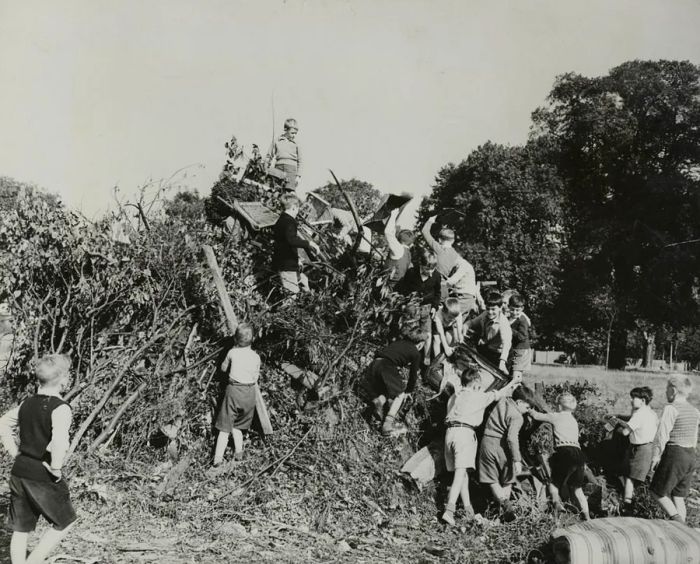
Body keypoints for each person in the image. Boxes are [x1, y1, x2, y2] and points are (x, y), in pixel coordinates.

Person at [0, 354, 77, 564]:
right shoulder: (61, 408)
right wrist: (56, 468)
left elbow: (3, 423)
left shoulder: (26, 403)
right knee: (66, 521)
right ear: (63, 379)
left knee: (21, 527)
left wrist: (14, 452)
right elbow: (59, 442)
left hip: (20, 471)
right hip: (42, 474)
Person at [441, 364, 521, 526]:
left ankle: (469, 510)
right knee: (459, 474)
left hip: (449, 433)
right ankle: (449, 510)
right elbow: (500, 394)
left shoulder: (454, 397)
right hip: (465, 433)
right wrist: (514, 381)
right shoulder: (478, 397)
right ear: (477, 383)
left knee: (462, 474)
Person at [478, 385, 537, 522]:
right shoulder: (517, 417)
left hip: (486, 442)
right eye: (527, 407)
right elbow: (511, 438)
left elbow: (504, 391)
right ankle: (505, 507)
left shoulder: (503, 401)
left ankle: (502, 506)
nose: (527, 411)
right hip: (501, 446)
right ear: (519, 402)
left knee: (491, 479)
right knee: (508, 479)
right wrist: (517, 459)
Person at [529, 393, 590, 521]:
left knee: (554, 483)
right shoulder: (573, 421)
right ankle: (587, 517)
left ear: (560, 406)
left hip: (564, 451)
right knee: (577, 488)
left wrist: (528, 408)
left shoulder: (555, 416)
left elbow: (536, 415)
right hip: (578, 453)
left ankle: (557, 504)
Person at [359, 328, 428, 436]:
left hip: (375, 364)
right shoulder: (415, 353)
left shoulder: (399, 342)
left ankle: (380, 401)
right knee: (400, 393)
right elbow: (413, 376)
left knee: (388, 389)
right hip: (387, 366)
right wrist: (408, 391)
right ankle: (387, 425)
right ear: (420, 344)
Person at [650, 375, 699, 524]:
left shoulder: (671, 409)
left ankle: (677, 522)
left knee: (657, 491)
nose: (666, 392)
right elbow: (694, 437)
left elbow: (662, 435)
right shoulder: (694, 411)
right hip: (690, 455)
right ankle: (682, 531)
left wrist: (656, 456)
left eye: (667, 389)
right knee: (678, 496)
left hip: (675, 453)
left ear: (674, 390)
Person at [213, 323, 261, 466]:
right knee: (238, 426)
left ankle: (217, 460)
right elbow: (256, 377)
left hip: (234, 391)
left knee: (225, 427)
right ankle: (239, 453)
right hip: (250, 394)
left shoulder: (232, 352)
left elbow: (223, 368)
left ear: (235, 339)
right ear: (253, 339)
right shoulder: (256, 357)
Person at [421, 215, 478, 316]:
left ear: (439, 240)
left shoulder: (439, 249)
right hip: (444, 288)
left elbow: (425, 232)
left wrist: (430, 221)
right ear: (453, 240)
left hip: (433, 285)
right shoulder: (456, 255)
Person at [614, 386, 658, 511]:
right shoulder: (652, 413)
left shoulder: (639, 415)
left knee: (629, 478)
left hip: (639, 449)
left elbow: (625, 433)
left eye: (634, 398)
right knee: (641, 478)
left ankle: (627, 506)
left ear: (642, 400)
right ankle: (640, 503)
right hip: (650, 447)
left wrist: (615, 426)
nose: (631, 401)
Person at [396, 249, 441, 365]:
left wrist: (435, 307)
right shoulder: (412, 273)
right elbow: (403, 289)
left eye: (432, 269)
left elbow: (437, 293)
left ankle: (426, 360)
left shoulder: (436, 276)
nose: (430, 272)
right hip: (412, 307)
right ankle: (406, 356)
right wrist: (404, 303)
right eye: (427, 269)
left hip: (427, 308)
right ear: (421, 264)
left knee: (427, 334)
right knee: (410, 332)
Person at [272, 193, 320, 294]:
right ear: (294, 207)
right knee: (292, 295)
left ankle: (308, 300)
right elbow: (292, 240)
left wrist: (297, 259)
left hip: (287, 262)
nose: (298, 212)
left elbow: (285, 244)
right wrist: (310, 243)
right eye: (297, 209)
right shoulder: (289, 221)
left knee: (304, 282)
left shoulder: (281, 220)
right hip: (286, 265)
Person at [463, 290, 512, 373]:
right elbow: (471, 323)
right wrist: (464, 329)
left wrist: (502, 362)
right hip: (488, 350)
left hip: (500, 355)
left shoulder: (503, 323)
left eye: (493, 309)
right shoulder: (485, 314)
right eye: (488, 308)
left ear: (500, 308)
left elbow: (506, 344)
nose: (490, 312)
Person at [383, 208, 414, 288]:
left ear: (399, 240)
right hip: (398, 287)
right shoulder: (408, 254)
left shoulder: (399, 249)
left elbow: (388, 233)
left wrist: (393, 215)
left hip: (387, 287)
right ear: (411, 244)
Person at [270, 118, 302, 191]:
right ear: (286, 130)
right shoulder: (277, 141)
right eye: (292, 133)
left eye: (295, 133)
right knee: (276, 191)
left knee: (289, 193)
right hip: (278, 168)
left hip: (291, 170)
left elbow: (300, 161)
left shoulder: (296, 143)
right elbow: (269, 155)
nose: (294, 135)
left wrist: (298, 176)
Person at [507, 294, 532, 379]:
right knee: (510, 373)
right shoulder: (508, 319)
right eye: (512, 310)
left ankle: (518, 388)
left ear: (522, 309)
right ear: (508, 307)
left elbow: (522, 336)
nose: (514, 313)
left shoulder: (522, 320)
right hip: (515, 349)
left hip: (522, 350)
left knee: (516, 375)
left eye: (517, 310)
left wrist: (509, 329)